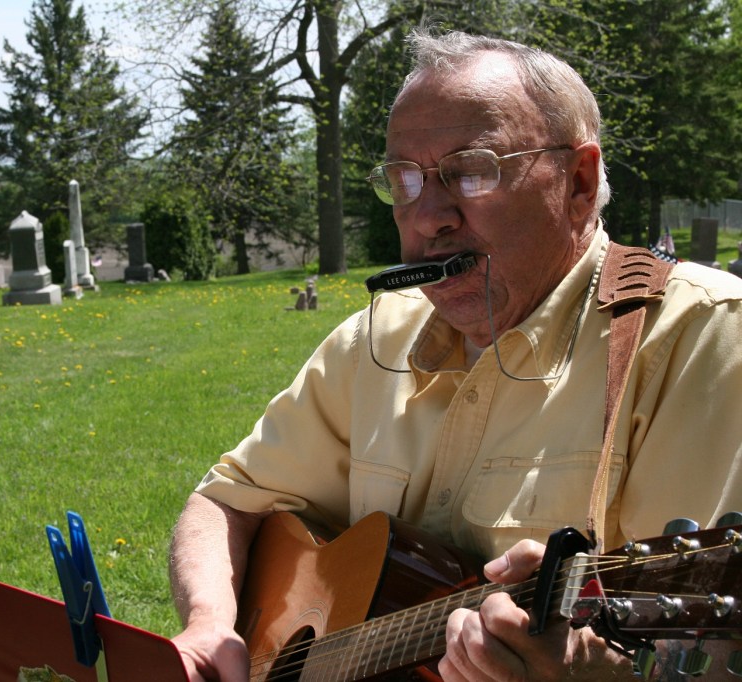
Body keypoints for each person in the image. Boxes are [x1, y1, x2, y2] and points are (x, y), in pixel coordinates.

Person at [169, 29, 742, 681]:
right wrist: (213, 624)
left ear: (579, 180)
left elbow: (710, 654)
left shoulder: (701, 336)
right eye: (404, 180)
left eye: (472, 170)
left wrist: (587, 672)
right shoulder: (375, 339)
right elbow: (225, 502)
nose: (429, 216)